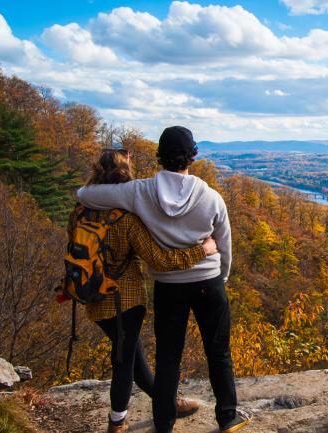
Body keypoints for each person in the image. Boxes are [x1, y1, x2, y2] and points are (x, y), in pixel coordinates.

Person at [76, 126, 250, 433]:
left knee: (168, 357)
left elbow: (84, 194)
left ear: (159, 157)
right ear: (192, 156)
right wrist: (220, 279)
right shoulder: (211, 197)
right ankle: (227, 418)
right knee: (218, 351)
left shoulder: (139, 192)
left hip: (169, 287)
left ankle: (164, 423)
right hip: (208, 283)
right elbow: (224, 247)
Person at [69, 148, 210, 433]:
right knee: (123, 360)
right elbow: (160, 260)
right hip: (125, 300)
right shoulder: (126, 220)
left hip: (91, 294)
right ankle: (117, 422)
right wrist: (201, 251)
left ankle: (168, 401)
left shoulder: (79, 213)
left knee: (132, 354)